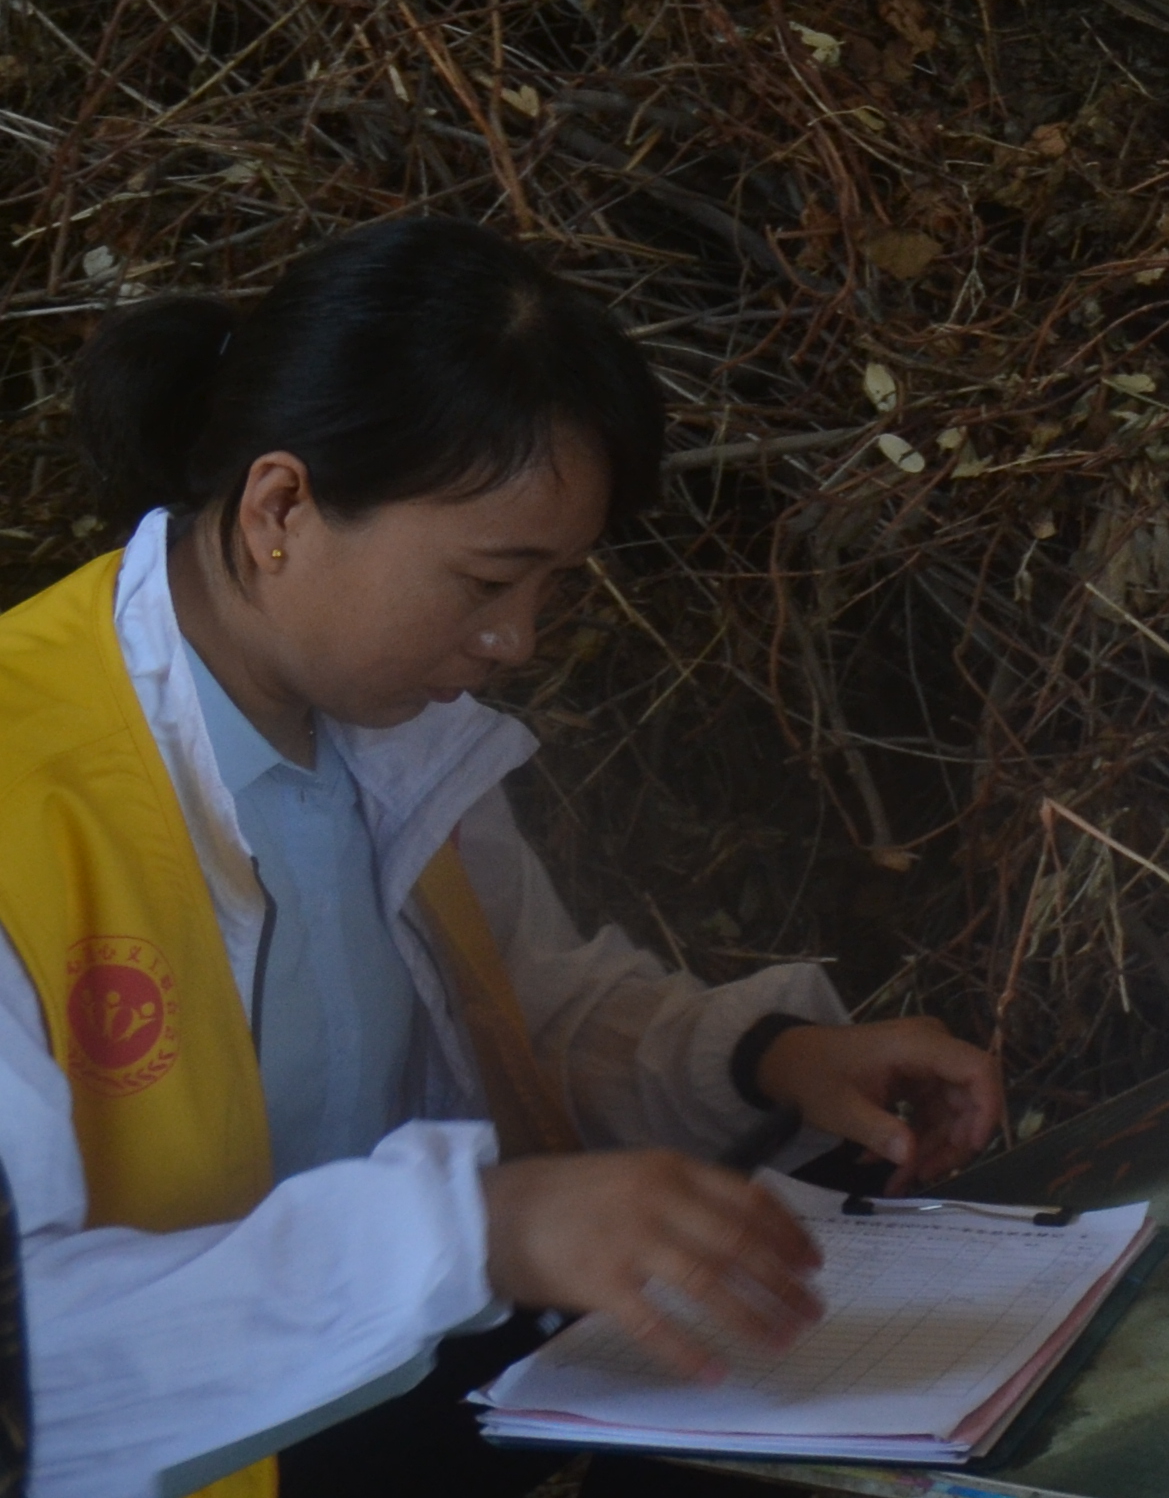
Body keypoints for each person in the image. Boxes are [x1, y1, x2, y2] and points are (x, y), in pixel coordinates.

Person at [0, 216, 1003, 1498]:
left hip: (390, 1418)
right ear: (280, 507)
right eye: (486, 582)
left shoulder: (391, 735)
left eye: (551, 588)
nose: (516, 640)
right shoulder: (27, 795)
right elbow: (31, 1364)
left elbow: (521, 1018)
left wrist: (769, 1056)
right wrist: (482, 1229)